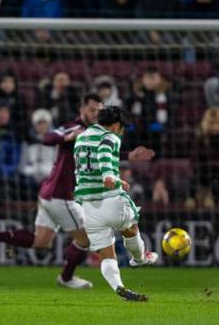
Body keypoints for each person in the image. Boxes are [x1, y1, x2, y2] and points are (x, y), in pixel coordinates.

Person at [0, 94, 154, 289]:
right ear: (81, 109)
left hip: (49, 194)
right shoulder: (74, 127)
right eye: (91, 110)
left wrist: (128, 155)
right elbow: (48, 137)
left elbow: (100, 154)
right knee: (86, 239)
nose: (95, 114)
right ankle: (67, 277)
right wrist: (65, 137)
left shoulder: (95, 133)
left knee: (40, 241)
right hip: (62, 196)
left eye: (98, 111)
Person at [74, 106, 158, 302]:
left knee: (107, 254)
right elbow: (104, 150)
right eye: (122, 127)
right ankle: (139, 259)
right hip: (109, 198)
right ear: (115, 125)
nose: (122, 131)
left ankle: (119, 287)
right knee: (131, 228)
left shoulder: (81, 137)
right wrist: (109, 175)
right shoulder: (110, 136)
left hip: (87, 206)